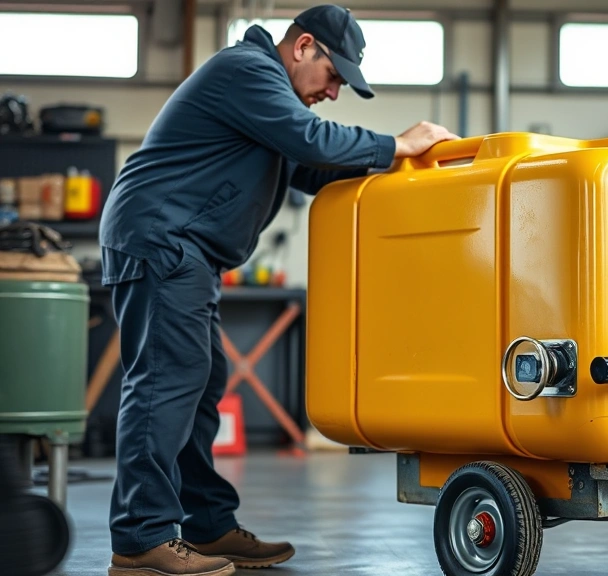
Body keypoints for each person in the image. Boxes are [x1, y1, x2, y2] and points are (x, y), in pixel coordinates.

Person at [98, 5, 459, 576]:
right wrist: (397, 144)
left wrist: (399, 173)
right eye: (334, 76)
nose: (334, 92)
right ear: (303, 46)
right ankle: (140, 539)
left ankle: (208, 526)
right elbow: (310, 140)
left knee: (200, 382)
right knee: (169, 382)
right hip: (161, 237)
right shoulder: (248, 71)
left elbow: (310, 167)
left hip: (185, 248)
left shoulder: (271, 99)